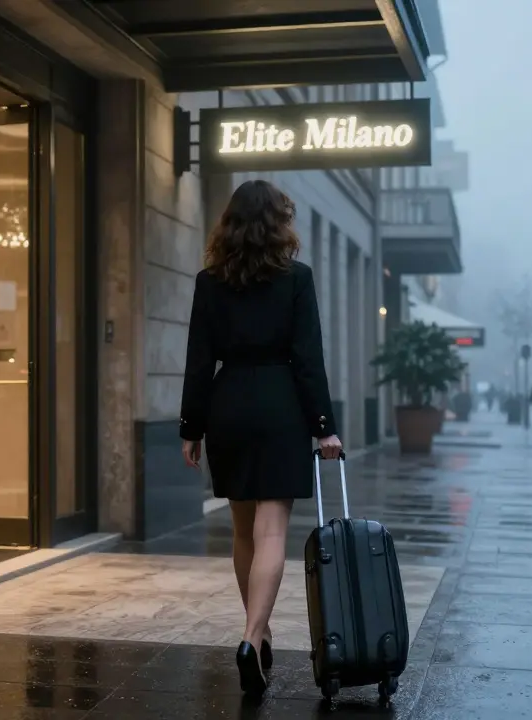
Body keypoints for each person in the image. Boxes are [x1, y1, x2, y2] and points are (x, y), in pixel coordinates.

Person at [178, 179, 341, 697]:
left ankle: (259, 630)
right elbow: (308, 360)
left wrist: (191, 427)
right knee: (273, 533)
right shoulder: (297, 279)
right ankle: (252, 636)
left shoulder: (209, 282)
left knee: (243, 531)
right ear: (280, 224)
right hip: (280, 407)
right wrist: (324, 428)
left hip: (228, 407)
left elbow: (199, 361)